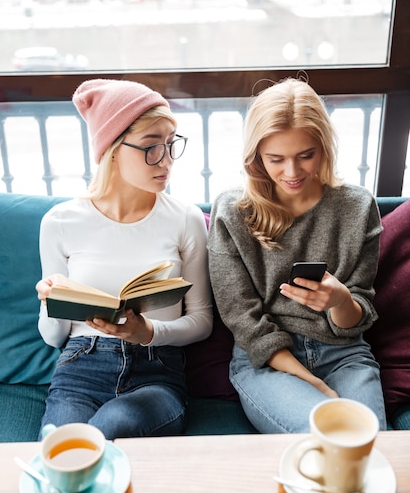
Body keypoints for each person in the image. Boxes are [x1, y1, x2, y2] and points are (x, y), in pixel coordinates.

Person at [207, 77, 387, 434]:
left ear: (324, 148)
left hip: (344, 354)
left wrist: (339, 300)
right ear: (256, 155)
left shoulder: (357, 207)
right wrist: (314, 385)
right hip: (268, 362)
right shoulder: (233, 212)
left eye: (306, 156)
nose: (292, 172)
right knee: (329, 437)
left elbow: (358, 314)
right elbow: (244, 321)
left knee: (370, 445)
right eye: (276, 159)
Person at [36, 78, 213, 439]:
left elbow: (202, 321)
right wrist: (50, 301)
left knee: (110, 430)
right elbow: (53, 337)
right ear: (113, 149)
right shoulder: (60, 222)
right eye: (151, 147)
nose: (165, 160)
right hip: (80, 368)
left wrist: (148, 332)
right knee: (61, 446)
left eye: (170, 144)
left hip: (156, 373)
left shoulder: (185, 218)